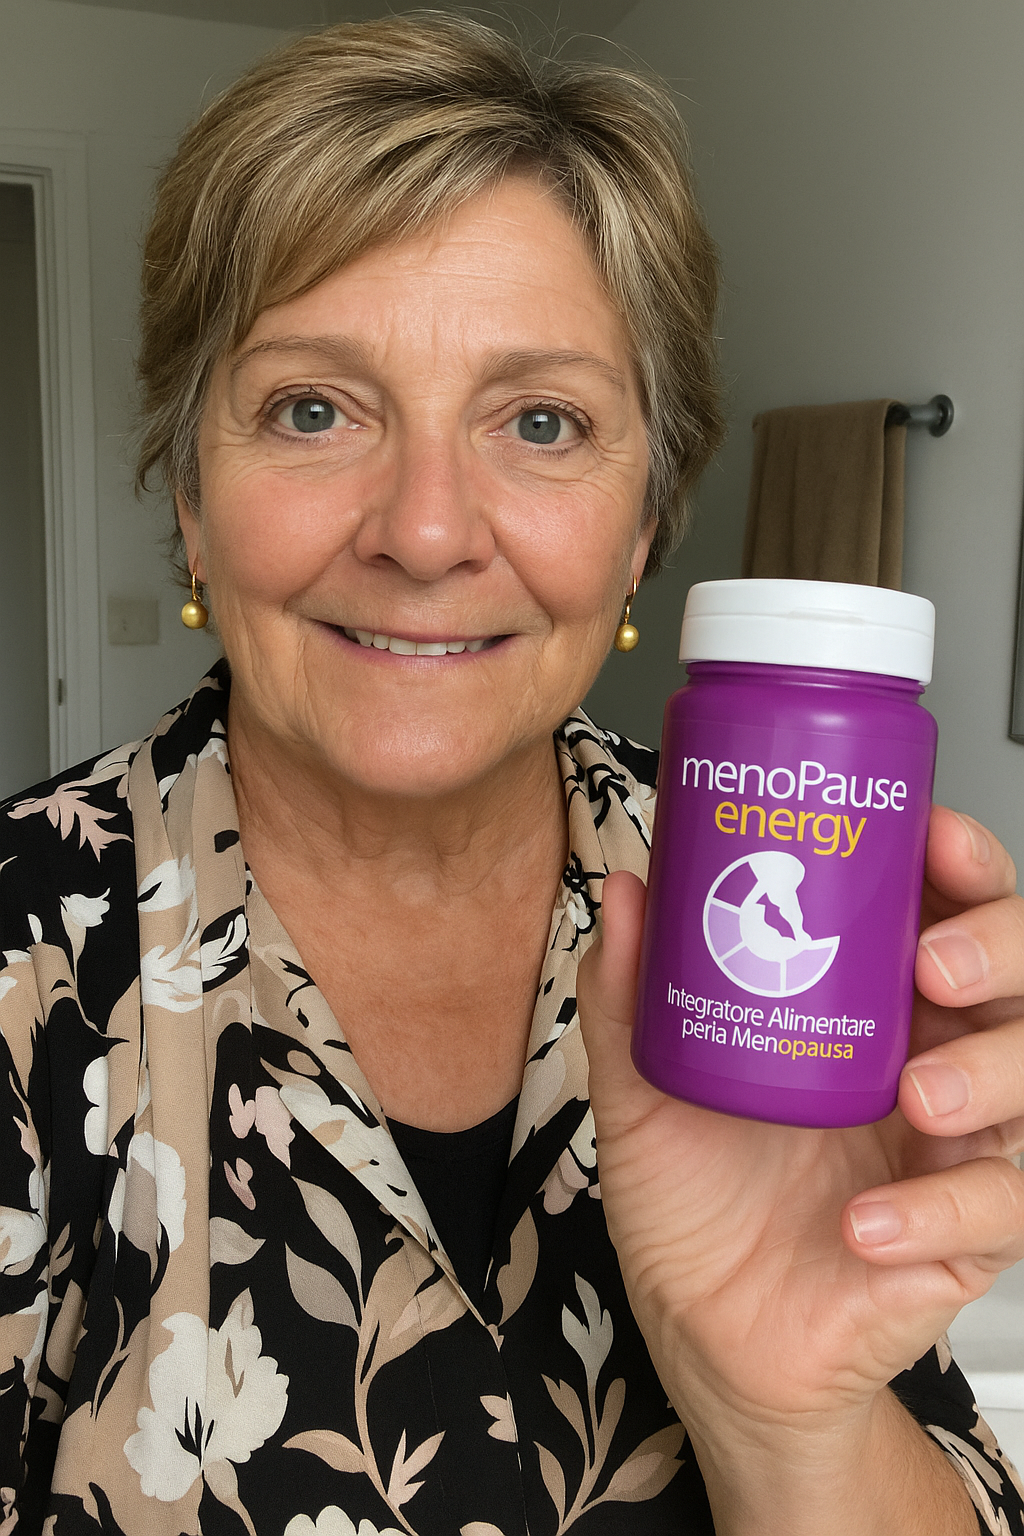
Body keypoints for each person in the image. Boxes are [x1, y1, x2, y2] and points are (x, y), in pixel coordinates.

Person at [1, 14, 1022, 1535]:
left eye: (541, 422)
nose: (426, 531)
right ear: (192, 498)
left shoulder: (783, 912)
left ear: (645, 524)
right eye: (312, 409)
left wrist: (790, 1423)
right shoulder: (25, 962)